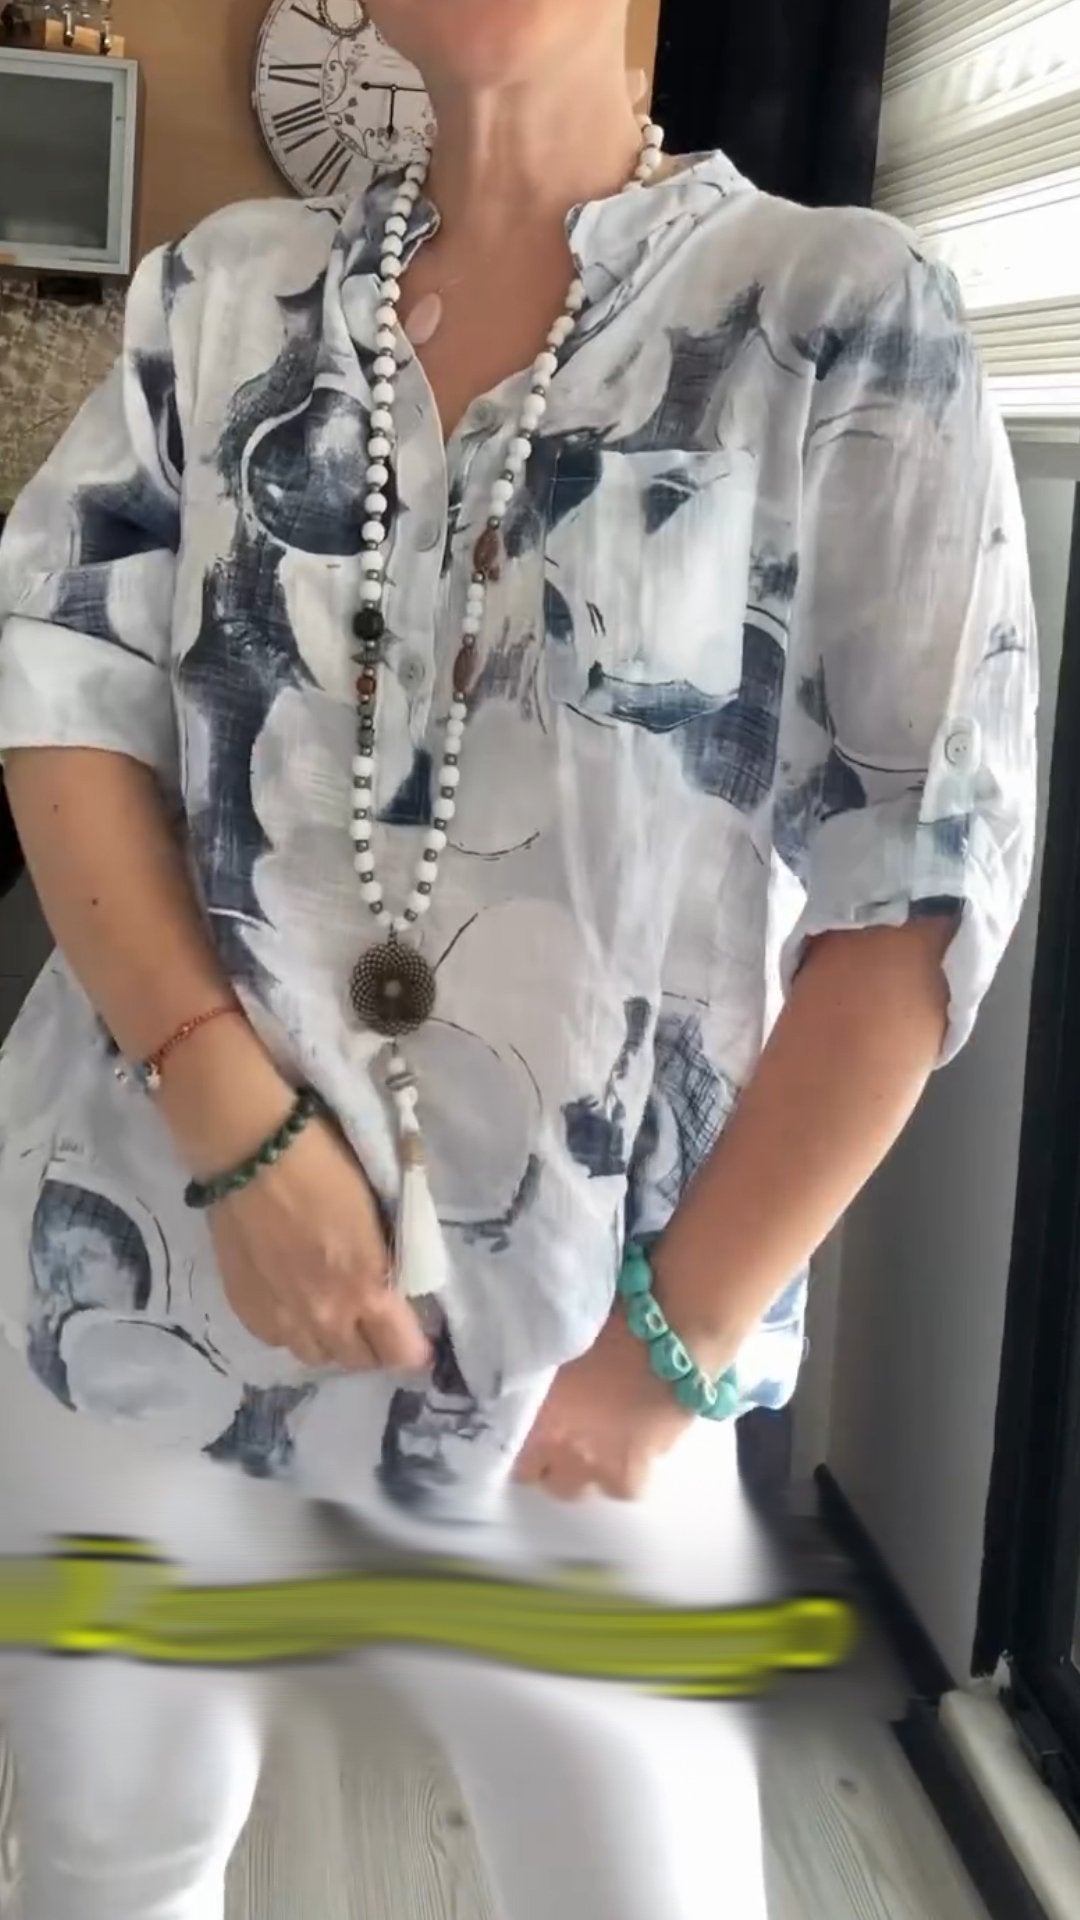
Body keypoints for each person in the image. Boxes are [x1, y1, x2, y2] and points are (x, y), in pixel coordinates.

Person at [0, 0, 1038, 1915]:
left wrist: (667, 1355)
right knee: (106, 1864)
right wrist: (231, 1127)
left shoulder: (835, 312)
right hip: (144, 1276)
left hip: (582, 1352)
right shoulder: (215, 298)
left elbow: (917, 894)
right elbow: (63, 690)